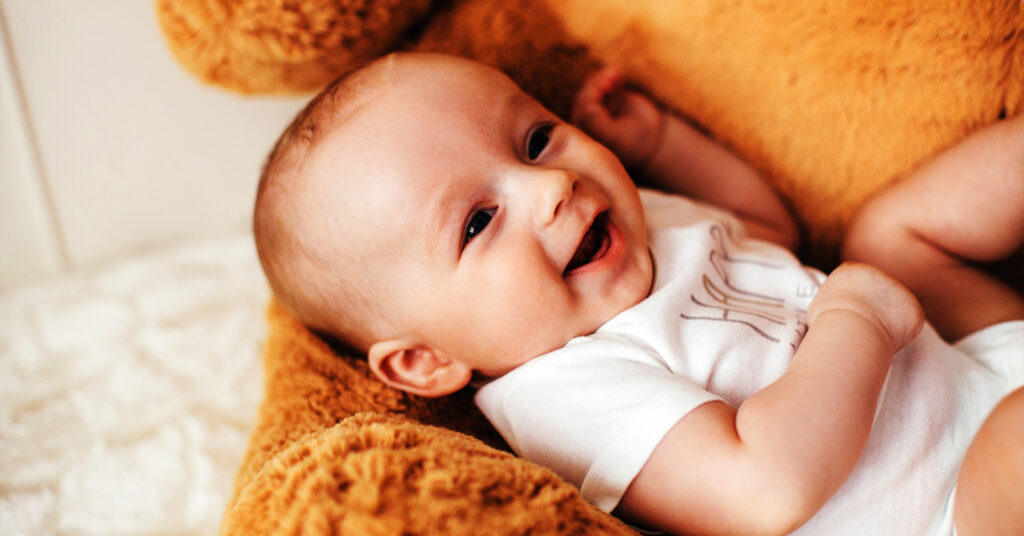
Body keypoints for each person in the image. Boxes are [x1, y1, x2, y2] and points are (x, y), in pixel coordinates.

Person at [252, 49, 1023, 535]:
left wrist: (664, 146)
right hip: (948, 505)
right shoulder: (565, 389)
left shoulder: (630, 224)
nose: (550, 186)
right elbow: (765, 489)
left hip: (970, 372)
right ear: (424, 361)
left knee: (896, 231)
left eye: (535, 139)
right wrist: (856, 319)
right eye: (480, 221)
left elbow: (759, 234)